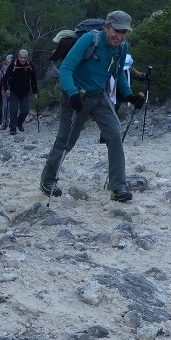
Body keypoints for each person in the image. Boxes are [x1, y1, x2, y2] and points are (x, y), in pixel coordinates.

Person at [39, 11, 145, 202]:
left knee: (114, 135)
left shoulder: (122, 47)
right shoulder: (89, 40)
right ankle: (47, 180)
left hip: (99, 96)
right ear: (107, 27)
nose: (120, 36)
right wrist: (72, 93)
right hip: (76, 95)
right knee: (66, 141)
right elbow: (66, 68)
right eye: (117, 31)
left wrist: (129, 95)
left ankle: (118, 187)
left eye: (124, 33)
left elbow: (119, 73)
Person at [3, 49, 38, 136]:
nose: (23, 59)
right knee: (13, 111)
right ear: (18, 57)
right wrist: (6, 89)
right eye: (21, 57)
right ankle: (12, 128)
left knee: (25, 111)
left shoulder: (30, 66)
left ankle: (19, 123)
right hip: (14, 91)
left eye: (24, 58)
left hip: (25, 92)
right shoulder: (13, 65)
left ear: (27, 57)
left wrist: (35, 92)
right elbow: (5, 78)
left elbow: (33, 80)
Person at [0, 54, 14, 130]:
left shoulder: (15, 68)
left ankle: (11, 123)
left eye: (9, 62)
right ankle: (4, 123)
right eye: (7, 62)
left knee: (11, 107)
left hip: (14, 89)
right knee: (5, 107)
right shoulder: (3, 68)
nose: (8, 63)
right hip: (4, 89)